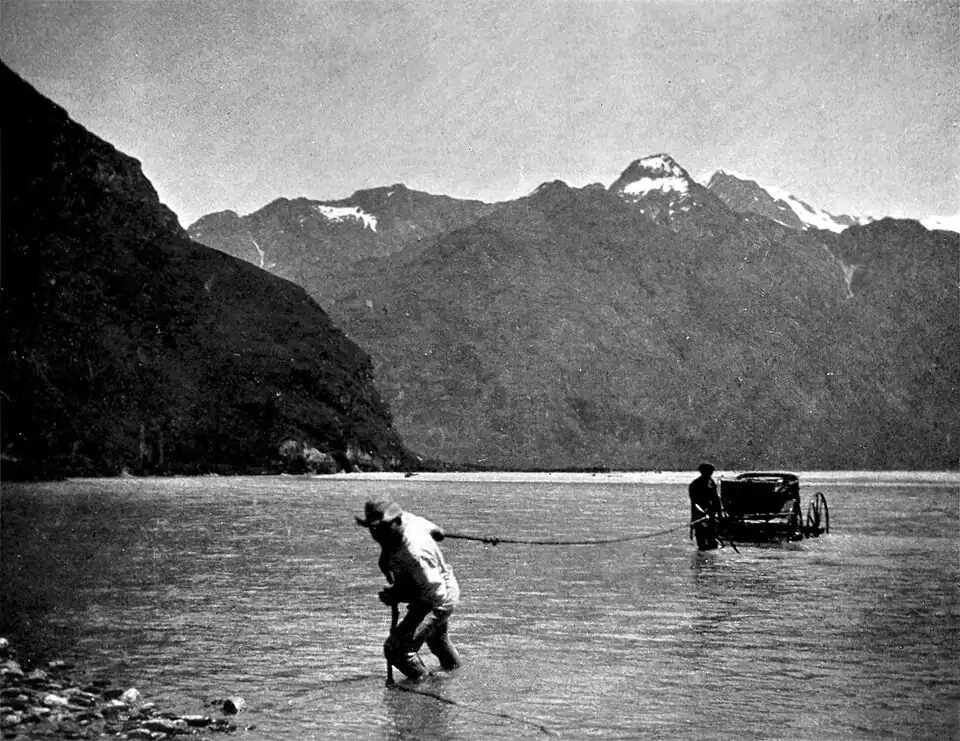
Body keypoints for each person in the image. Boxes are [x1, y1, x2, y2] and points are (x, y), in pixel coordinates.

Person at [356, 494, 461, 680]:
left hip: (438, 597)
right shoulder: (406, 521)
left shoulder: (415, 552)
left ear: (396, 521)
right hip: (434, 584)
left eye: (383, 527)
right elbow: (435, 530)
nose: (378, 533)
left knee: (396, 649)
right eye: (373, 528)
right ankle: (456, 679)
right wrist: (436, 532)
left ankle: (428, 686)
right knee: (437, 640)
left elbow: (434, 595)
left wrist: (397, 594)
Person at [689, 463, 722, 551]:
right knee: (708, 542)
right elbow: (715, 500)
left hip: (703, 516)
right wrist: (718, 514)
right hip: (704, 516)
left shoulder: (695, 483)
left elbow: (715, 500)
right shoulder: (706, 482)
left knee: (705, 542)